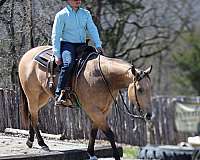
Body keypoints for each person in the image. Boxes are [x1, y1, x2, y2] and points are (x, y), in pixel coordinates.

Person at [52, 0, 103, 106]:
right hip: (67, 45)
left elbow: (92, 29)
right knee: (68, 64)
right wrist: (57, 54)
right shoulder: (61, 15)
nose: (78, 1)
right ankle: (59, 94)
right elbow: (56, 35)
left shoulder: (85, 14)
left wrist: (98, 44)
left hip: (82, 45)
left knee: (95, 62)